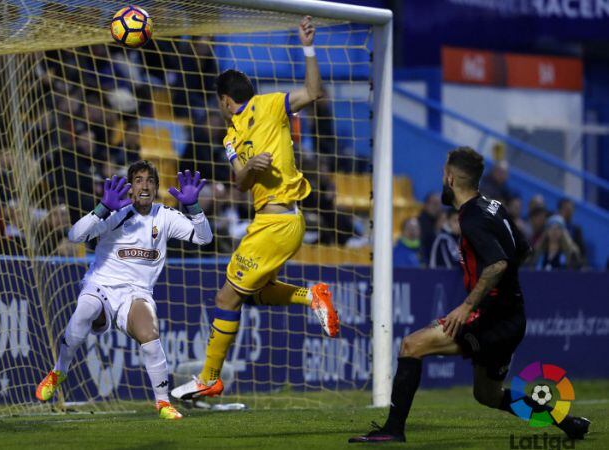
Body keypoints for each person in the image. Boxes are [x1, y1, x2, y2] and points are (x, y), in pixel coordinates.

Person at [349, 146, 590, 443]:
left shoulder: (472, 219)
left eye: (443, 174)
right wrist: (501, 289)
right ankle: (568, 423)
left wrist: (468, 306)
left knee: (411, 345)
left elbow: (498, 263)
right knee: (488, 395)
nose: (442, 179)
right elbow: (523, 249)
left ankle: (393, 430)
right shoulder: (494, 206)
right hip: (511, 318)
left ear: (451, 179)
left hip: (489, 319)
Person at [171, 16, 339, 402]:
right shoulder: (230, 137)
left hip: (280, 220)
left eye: (219, 102)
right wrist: (252, 167)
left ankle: (209, 378)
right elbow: (240, 183)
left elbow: (314, 92)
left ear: (224, 100)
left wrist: (308, 48)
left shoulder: (271, 105)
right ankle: (312, 296)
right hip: (269, 221)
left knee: (225, 299)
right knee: (255, 294)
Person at [35, 161, 212, 420]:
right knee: (85, 310)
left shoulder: (165, 216)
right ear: (130, 188)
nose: (144, 186)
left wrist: (194, 208)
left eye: (150, 181)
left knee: (150, 335)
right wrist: (102, 208)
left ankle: (163, 403)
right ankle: (58, 371)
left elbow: (204, 238)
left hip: (137, 293)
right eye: (138, 180)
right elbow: (74, 235)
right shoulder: (116, 213)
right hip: (101, 285)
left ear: (156, 187)